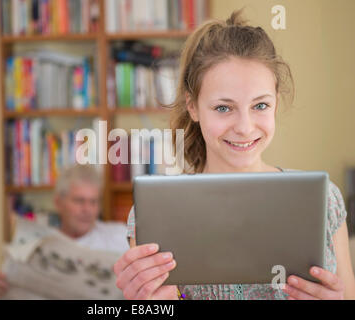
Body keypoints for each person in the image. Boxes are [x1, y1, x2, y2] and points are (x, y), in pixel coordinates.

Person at [113, 9, 355, 300]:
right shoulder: (151, 215)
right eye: (223, 108)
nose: (244, 127)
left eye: (260, 105)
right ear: (192, 107)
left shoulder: (326, 201)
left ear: (276, 103)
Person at [0, 164, 129, 300]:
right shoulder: (35, 244)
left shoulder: (120, 237)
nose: (87, 209)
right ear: (58, 202)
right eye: (79, 201)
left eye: (94, 202)